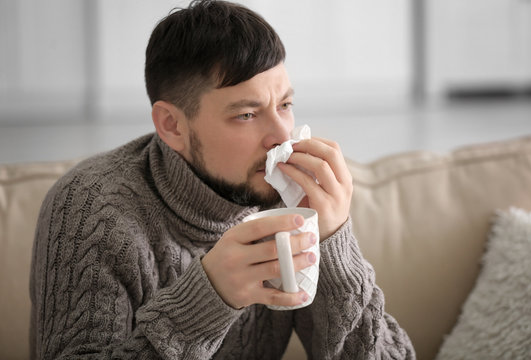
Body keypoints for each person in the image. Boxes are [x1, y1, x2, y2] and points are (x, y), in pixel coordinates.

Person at [29, 1, 415, 359]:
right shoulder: (90, 208)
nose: (281, 135)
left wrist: (335, 243)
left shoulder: (289, 199)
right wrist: (209, 297)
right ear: (172, 125)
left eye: (285, 105)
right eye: (246, 115)